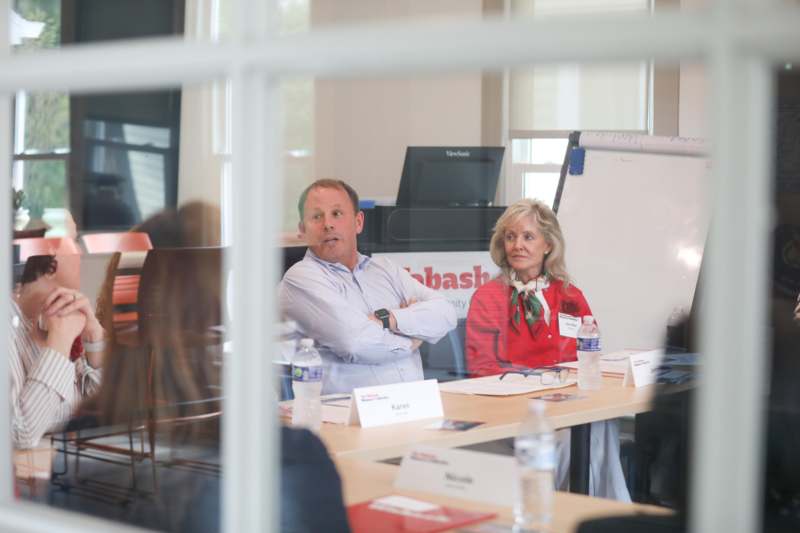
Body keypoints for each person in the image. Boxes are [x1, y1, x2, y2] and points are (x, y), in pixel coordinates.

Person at [465, 199, 630, 501]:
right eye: (510, 236)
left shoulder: (569, 294)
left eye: (528, 236)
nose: (517, 245)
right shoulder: (488, 297)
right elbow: (483, 370)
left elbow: (588, 355)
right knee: (574, 438)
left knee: (599, 425)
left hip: (568, 405)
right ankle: (570, 512)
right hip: (514, 412)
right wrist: (542, 386)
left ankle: (594, 513)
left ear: (548, 245)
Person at [279, 179, 457, 394]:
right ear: (302, 230)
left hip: (414, 408)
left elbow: (446, 313)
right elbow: (356, 344)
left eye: (337, 213)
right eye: (317, 217)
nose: (328, 224)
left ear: (358, 222)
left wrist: (390, 320)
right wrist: (413, 340)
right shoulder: (301, 278)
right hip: (348, 418)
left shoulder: (385, 269)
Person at [10, 255, 105, 449]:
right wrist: (60, 340)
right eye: (72, 241)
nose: (79, 250)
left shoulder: (58, 315)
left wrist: (94, 339)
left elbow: (104, 408)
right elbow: (18, 433)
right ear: (50, 261)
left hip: (69, 463)